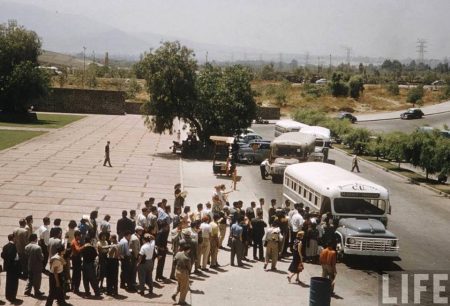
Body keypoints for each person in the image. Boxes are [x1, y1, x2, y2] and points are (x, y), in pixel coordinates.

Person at [1, 234, 20, 303]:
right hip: (13, 268)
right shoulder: (13, 247)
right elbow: (12, 257)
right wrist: (16, 260)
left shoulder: (5, 246)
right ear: (13, 238)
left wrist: (6, 260)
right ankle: (12, 297)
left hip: (8, 268)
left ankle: (8, 295)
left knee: (8, 282)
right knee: (14, 283)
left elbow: (2, 255)